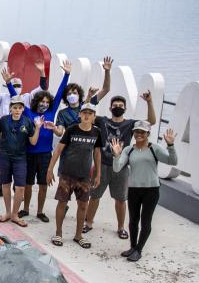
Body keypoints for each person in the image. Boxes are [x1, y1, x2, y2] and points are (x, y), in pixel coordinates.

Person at [83, 90, 157, 239]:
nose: (118, 107)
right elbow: (87, 115)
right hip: (101, 165)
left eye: (121, 105)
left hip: (121, 167)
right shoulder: (102, 121)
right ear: (110, 108)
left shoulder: (131, 124)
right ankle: (88, 223)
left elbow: (151, 122)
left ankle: (121, 227)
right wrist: (89, 97)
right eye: (115, 105)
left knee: (121, 199)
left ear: (125, 109)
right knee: (95, 196)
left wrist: (149, 102)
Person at [111, 123, 178, 262]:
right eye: (136, 132)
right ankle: (133, 247)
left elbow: (173, 161)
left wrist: (171, 146)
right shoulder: (128, 150)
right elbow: (117, 168)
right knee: (133, 221)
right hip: (134, 190)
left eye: (142, 132)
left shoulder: (155, 148)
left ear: (148, 134)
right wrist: (116, 155)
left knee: (146, 222)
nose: (139, 134)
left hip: (151, 190)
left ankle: (139, 250)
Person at [15, 60, 71, 222]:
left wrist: (66, 74)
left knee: (43, 184)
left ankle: (40, 211)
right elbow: (15, 97)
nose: (45, 104)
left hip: (46, 154)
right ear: (36, 102)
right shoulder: (28, 113)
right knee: (28, 184)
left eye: (47, 102)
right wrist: (8, 84)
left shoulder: (51, 113)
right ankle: (25, 209)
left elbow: (60, 93)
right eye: (42, 102)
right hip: (29, 153)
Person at [0, 59, 48, 198]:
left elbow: (42, 87)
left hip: (22, 133)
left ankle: (16, 188)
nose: (17, 87)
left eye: (19, 85)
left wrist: (42, 72)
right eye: (15, 85)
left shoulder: (27, 97)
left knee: (19, 163)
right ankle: (0, 187)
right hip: (5, 130)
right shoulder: (2, 97)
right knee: (4, 162)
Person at [47, 103, 103, 248]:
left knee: (83, 205)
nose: (86, 115)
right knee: (62, 203)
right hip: (67, 174)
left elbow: (97, 154)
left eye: (90, 113)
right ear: (79, 114)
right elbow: (58, 150)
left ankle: (78, 235)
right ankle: (58, 233)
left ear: (94, 117)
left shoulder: (97, 132)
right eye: (84, 112)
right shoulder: (71, 129)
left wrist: (98, 174)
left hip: (84, 176)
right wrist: (50, 169)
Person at [0, 96, 42, 226]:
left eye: (19, 108)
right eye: (14, 108)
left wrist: (38, 128)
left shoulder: (27, 122)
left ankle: (15, 214)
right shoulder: (4, 120)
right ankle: (7, 212)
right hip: (4, 157)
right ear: (10, 108)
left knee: (20, 187)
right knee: (5, 184)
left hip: (20, 158)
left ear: (23, 109)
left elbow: (33, 142)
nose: (17, 110)